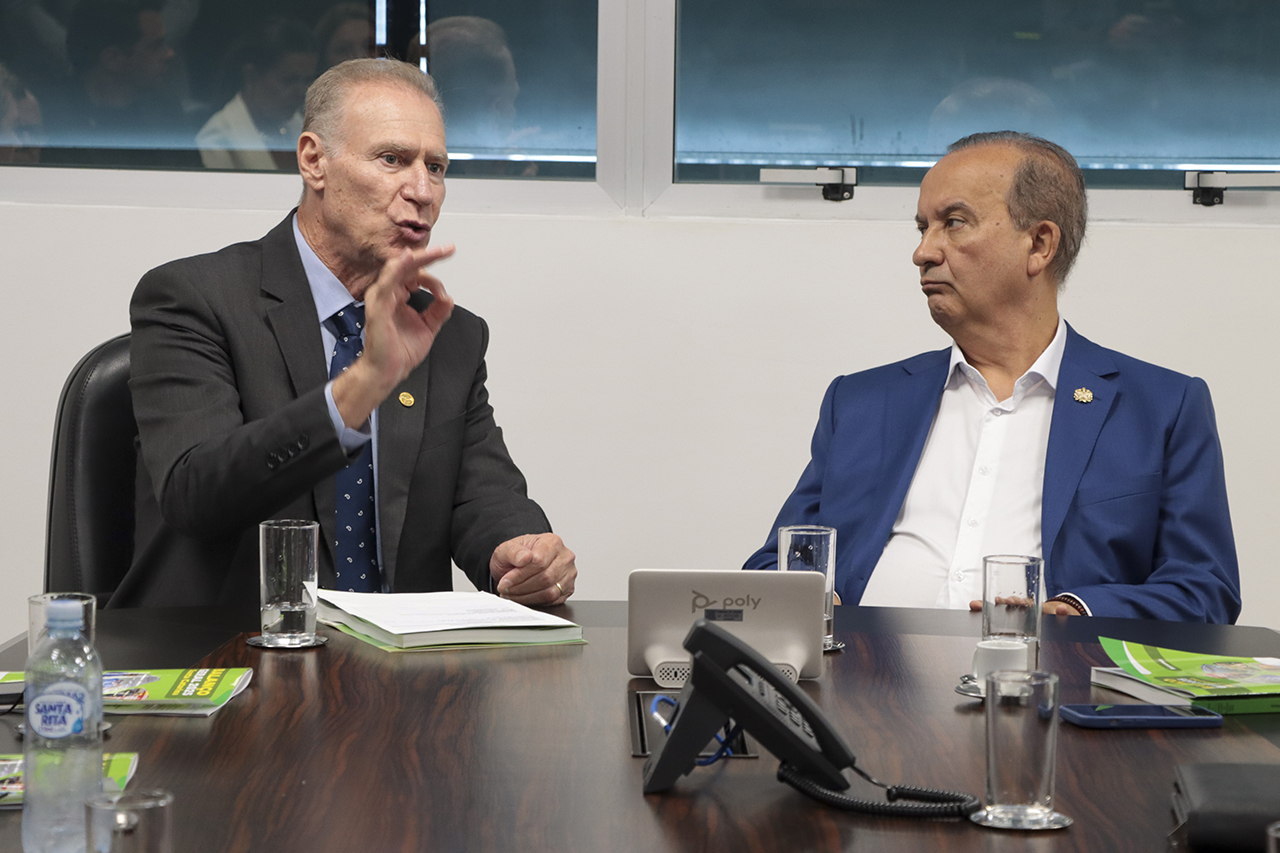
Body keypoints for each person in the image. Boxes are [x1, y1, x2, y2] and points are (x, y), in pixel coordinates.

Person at [120, 57, 577, 608]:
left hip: (396, 675)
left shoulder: (449, 333)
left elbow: (482, 496)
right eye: (393, 159)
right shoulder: (194, 298)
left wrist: (521, 549)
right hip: (229, 660)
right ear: (314, 161)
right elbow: (196, 494)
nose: (423, 190)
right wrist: (364, 383)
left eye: (436, 167)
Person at [743, 131, 1239, 623]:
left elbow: (1204, 590)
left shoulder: (1161, 407)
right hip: (861, 684)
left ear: (1040, 243)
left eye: (953, 223)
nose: (923, 252)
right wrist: (812, 599)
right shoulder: (860, 402)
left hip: (1050, 685)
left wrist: (1077, 611)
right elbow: (778, 564)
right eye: (922, 228)